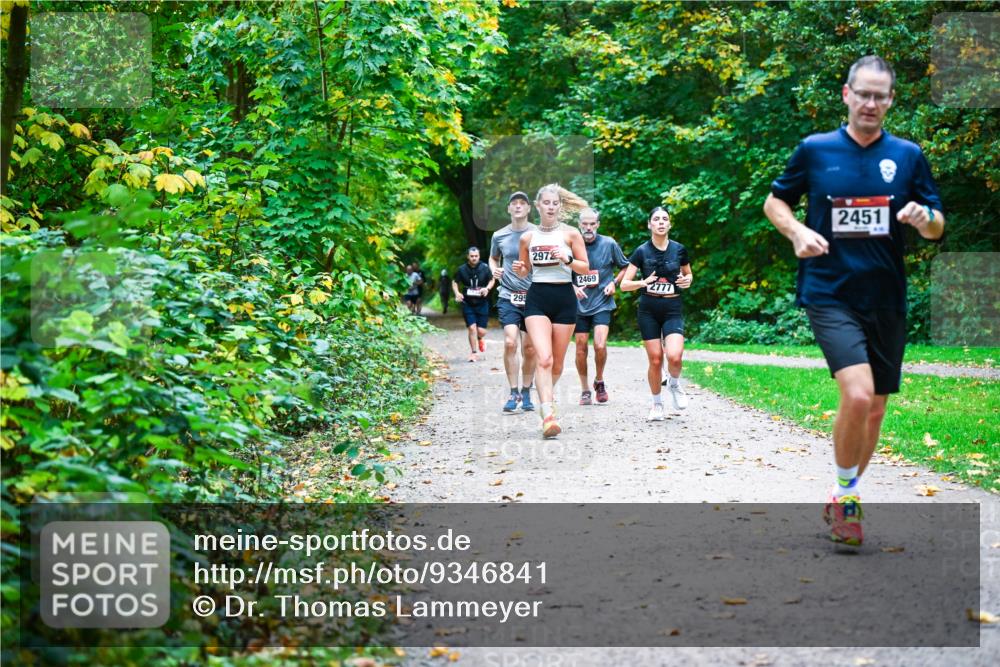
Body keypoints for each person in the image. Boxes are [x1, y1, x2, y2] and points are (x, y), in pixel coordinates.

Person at [763, 55, 945, 547]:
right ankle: (847, 500)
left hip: (885, 295)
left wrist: (921, 215)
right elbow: (775, 201)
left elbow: (936, 227)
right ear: (846, 94)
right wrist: (797, 230)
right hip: (829, 290)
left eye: (879, 96)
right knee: (859, 393)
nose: (870, 103)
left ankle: (843, 493)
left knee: (877, 409)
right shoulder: (816, 150)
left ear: (890, 101)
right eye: (861, 93)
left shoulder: (907, 156)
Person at [512, 184, 590, 438]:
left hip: (565, 297)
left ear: (560, 206)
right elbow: (525, 270)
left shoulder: (571, 235)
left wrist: (566, 259)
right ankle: (548, 414)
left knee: (556, 364)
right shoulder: (528, 237)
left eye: (555, 203)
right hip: (537, 298)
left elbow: (584, 269)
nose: (551, 207)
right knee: (543, 358)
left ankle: (547, 396)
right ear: (538, 206)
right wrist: (519, 269)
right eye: (546, 203)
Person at [620, 206, 693, 421]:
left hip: (672, 308)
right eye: (656, 219)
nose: (661, 222)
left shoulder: (679, 249)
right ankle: (657, 404)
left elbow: (688, 275)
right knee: (654, 360)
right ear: (650, 225)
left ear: (669, 224)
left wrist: (688, 280)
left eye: (665, 219)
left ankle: (674, 383)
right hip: (649, 309)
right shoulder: (641, 251)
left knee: (675, 356)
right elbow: (624, 284)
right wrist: (643, 282)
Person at [572, 208, 629, 405]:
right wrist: (572, 287)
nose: (588, 227)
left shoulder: (609, 243)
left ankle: (599, 380)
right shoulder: (571, 244)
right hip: (578, 305)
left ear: (598, 224)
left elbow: (625, 266)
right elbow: (559, 271)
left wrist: (614, 283)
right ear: (579, 224)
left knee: (600, 345)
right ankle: (585, 389)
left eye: (592, 224)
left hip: (602, 303)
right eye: (584, 224)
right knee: (580, 348)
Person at [489, 191, 537, 413]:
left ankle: (527, 390)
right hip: (508, 294)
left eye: (522, 203)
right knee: (510, 342)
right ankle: (513, 391)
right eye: (514, 204)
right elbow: (493, 257)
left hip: (533, 295)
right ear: (509, 209)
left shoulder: (538, 233)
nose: (518, 206)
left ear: (528, 209)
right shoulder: (499, 235)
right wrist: (494, 270)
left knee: (529, 347)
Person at [452, 247, 495, 362]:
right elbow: (455, 282)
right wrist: (457, 293)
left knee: (481, 331)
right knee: (472, 328)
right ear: (468, 257)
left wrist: (487, 288)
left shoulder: (485, 268)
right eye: (472, 256)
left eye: (476, 256)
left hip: (482, 302)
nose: (474, 258)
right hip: (467, 303)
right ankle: (474, 353)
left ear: (479, 256)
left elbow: (492, 280)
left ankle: (480, 338)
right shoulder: (461, 269)